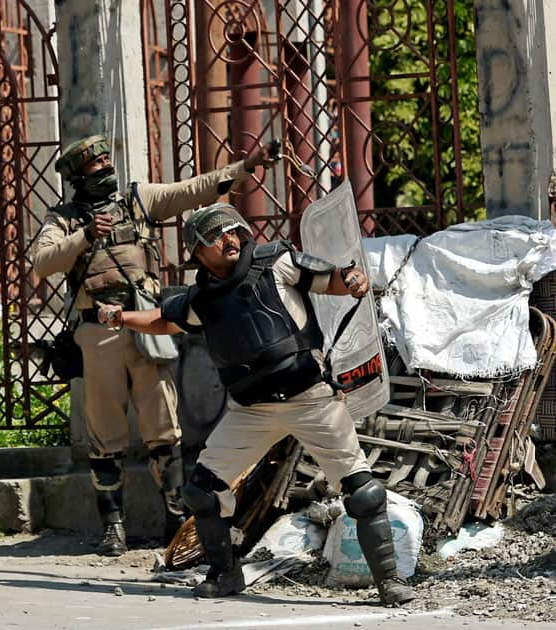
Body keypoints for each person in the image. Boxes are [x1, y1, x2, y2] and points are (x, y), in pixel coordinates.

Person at [95, 203, 415, 606]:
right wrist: (120, 317)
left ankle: (389, 583)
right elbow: (164, 320)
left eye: (234, 231)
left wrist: (351, 279)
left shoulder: (276, 261)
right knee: (203, 491)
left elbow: (330, 277)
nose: (230, 240)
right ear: (198, 250)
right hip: (251, 411)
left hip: (310, 399)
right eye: (217, 236)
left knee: (362, 491)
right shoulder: (203, 298)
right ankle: (225, 574)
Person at [31, 135, 276, 555]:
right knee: (104, 433)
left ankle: (177, 519)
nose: (106, 169)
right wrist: (86, 235)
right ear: (77, 176)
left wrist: (243, 168)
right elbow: (42, 262)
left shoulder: (136, 200)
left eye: (108, 160)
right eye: (96, 166)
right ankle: (113, 526)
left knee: (163, 427)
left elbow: (190, 191)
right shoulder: (64, 219)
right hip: (98, 331)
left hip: (147, 324)